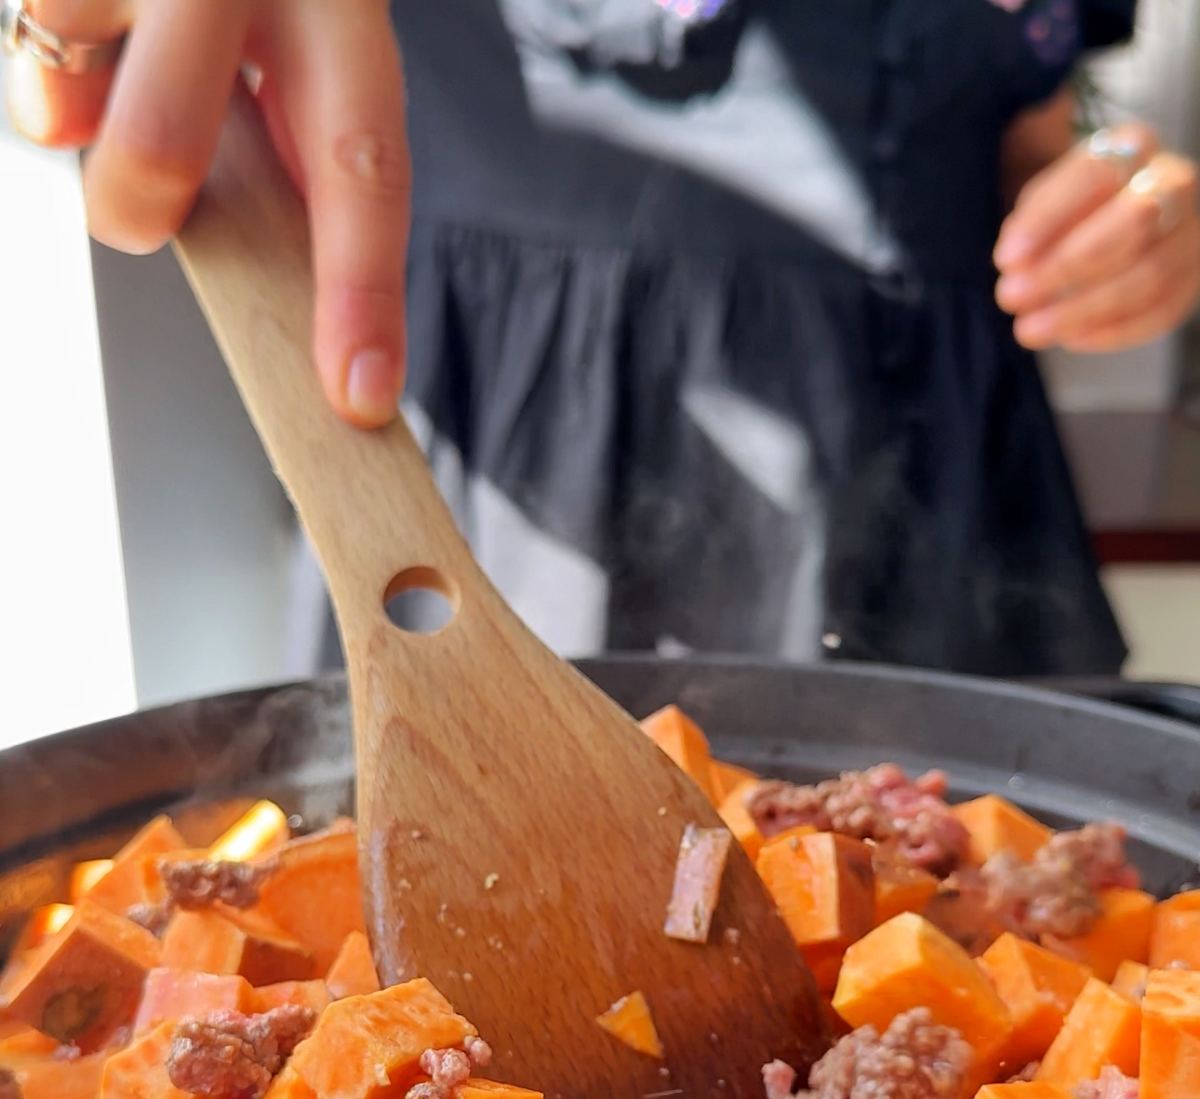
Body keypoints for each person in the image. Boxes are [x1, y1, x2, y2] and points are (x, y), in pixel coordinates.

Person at [6, 0, 1200, 674]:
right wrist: (58, 36)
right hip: (483, 530)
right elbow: (59, 76)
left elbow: (1040, 146)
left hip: (927, 542)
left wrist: (1131, 202)